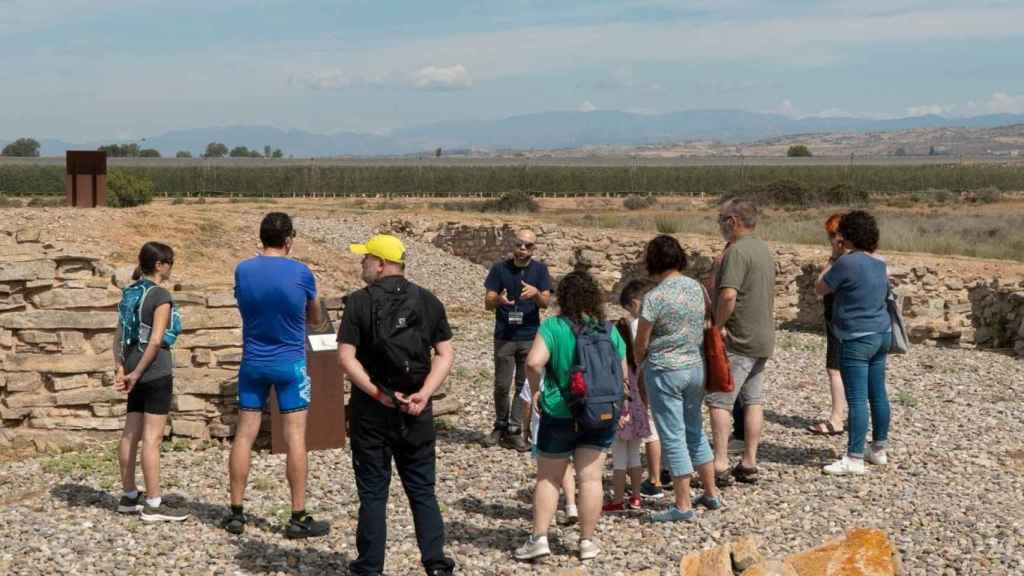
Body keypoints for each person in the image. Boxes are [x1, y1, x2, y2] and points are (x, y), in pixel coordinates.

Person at [339, 233, 456, 576]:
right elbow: (445, 354)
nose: (361, 264)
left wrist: (378, 394)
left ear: (380, 263)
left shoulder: (359, 303)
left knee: (374, 492)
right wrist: (425, 392)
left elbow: (346, 359)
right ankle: (435, 564)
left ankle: (370, 567)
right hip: (417, 409)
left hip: (373, 410)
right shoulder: (428, 301)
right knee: (422, 489)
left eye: (365, 259)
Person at [223, 212, 328, 538]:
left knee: (244, 434)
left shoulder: (243, 270)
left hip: (253, 361)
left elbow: (243, 305)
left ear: (262, 237)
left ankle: (236, 513)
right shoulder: (301, 272)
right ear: (288, 240)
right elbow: (314, 317)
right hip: (290, 362)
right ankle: (297, 516)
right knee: (296, 438)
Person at [514, 271, 627, 562]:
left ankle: (539, 538)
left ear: (563, 297)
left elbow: (533, 362)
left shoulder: (553, 326)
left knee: (549, 478)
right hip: (600, 411)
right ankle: (587, 542)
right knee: (591, 479)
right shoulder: (608, 329)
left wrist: (537, 390)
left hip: (560, 410)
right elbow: (622, 373)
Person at [635, 236, 721, 523]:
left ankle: (683, 505)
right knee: (695, 429)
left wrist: (638, 365)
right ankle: (710, 493)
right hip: (696, 367)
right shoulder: (697, 289)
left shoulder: (655, 297)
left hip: (665, 370)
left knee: (672, 436)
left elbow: (642, 340)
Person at [114, 242, 189, 522]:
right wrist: (138, 373)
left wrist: (121, 368)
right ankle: (154, 504)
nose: (171, 267)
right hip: (154, 371)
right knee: (152, 439)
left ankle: (129, 495)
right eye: (170, 261)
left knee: (130, 433)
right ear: (159, 265)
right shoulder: (160, 294)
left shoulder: (129, 293)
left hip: (131, 365)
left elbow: (119, 335)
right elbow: (157, 340)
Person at [815, 210, 892, 475]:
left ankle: (854, 457)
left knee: (857, 398)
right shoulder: (880, 262)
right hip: (881, 334)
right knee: (878, 394)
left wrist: (835, 257)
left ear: (848, 236)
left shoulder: (847, 263)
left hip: (856, 337)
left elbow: (820, 287)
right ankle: (878, 448)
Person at [707, 199, 776, 486]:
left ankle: (720, 463)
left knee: (719, 400)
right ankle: (749, 461)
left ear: (733, 221)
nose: (720, 225)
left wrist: (718, 326)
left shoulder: (737, 252)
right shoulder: (764, 249)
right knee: (754, 400)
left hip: (739, 337)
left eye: (721, 219)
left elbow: (728, 295)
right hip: (763, 337)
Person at [483, 229, 553, 451]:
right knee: (502, 384)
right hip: (504, 335)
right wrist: (499, 300)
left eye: (528, 245)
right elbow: (488, 302)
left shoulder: (540, 271)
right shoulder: (499, 269)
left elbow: (545, 303)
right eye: (519, 244)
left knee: (522, 385)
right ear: (513, 245)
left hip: (530, 336)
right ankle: (500, 425)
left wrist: (535, 294)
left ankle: (514, 430)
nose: (523, 248)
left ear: (534, 248)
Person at [616, 279, 666, 502]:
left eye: (629, 308)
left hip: (648, 378)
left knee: (652, 431)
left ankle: (654, 480)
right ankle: (666, 471)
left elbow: (639, 356)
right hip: (671, 373)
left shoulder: (639, 323)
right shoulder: (663, 317)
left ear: (635, 303)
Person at [808, 213, 848, 436]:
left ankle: (836, 418)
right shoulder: (865, 259)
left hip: (838, 321)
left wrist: (833, 257)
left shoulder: (840, 263)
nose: (832, 239)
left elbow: (820, 285)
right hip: (855, 323)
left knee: (834, 370)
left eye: (833, 235)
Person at [520, 377, 578, 524]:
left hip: (542, 432)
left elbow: (527, 405)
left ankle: (548, 513)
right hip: (565, 424)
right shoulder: (564, 373)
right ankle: (571, 505)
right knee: (567, 468)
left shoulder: (532, 379)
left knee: (546, 476)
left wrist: (525, 429)